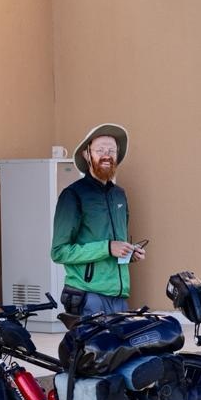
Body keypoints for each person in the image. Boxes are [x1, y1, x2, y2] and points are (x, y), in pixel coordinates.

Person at [51, 123, 145, 317]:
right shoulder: (73, 195)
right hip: (88, 296)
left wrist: (129, 252)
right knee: (92, 348)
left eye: (111, 150)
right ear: (87, 154)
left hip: (119, 297)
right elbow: (59, 252)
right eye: (100, 149)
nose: (106, 154)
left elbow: (116, 244)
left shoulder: (119, 195)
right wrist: (107, 248)